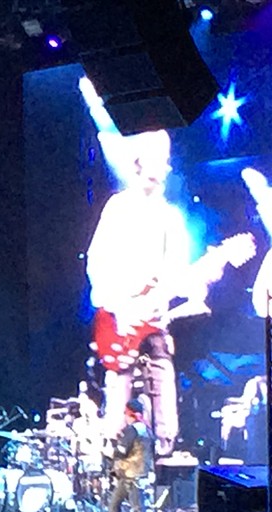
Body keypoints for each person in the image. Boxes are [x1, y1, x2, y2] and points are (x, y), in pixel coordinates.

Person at [86, 129, 255, 456]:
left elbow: (178, 278)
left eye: (166, 159)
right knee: (117, 423)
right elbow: (97, 262)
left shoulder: (169, 217)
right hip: (120, 322)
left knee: (166, 427)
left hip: (157, 329)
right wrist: (120, 305)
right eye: (158, 158)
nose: (165, 166)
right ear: (139, 161)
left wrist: (209, 271)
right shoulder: (119, 207)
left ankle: (163, 467)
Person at [109, 399, 161, 512]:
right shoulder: (147, 430)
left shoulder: (131, 430)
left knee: (139, 510)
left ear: (129, 413)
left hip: (132, 476)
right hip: (136, 475)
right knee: (114, 506)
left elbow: (121, 451)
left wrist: (110, 450)